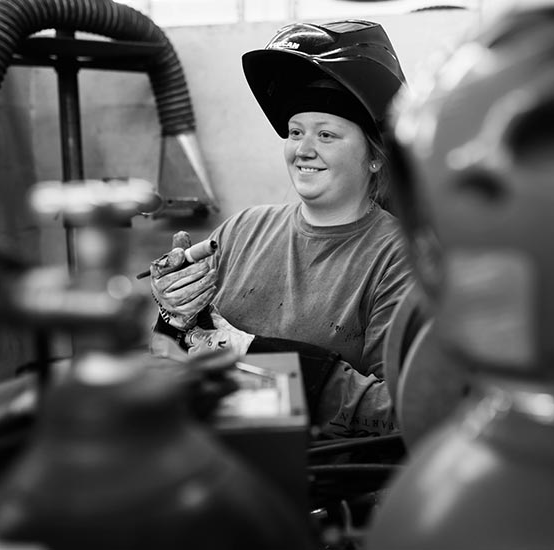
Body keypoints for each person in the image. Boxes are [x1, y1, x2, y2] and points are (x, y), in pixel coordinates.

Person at [148, 20, 414, 439]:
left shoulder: (400, 259)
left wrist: (254, 354)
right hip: (207, 457)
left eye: (326, 134)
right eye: (295, 132)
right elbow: (168, 366)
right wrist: (175, 318)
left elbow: (397, 415)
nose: (303, 150)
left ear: (375, 157)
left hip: (315, 486)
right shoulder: (242, 230)